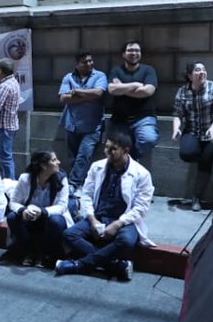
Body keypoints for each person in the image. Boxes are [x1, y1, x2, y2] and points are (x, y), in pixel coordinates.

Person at [56, 131, 153, 279]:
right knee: (69, 234)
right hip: (99, 216)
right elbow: (86, 195)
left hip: (124, 220)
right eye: (106, 147)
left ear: (125, 150)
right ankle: (114, 264)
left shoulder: (142, 174)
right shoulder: (97, 167)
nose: (108, 152)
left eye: (113, 149)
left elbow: (141, 207)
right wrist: (92, 219)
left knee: (126, 241)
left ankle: (79, 265)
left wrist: (117, 224)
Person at [171, 62, 213, 212]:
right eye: (197, 70)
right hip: (193, 130)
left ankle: (197, 197)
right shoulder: (182, 92)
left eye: (204, 70)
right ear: (190, 76)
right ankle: (201, 154)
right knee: (186, 153)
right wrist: (176, 128)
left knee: (206, 160)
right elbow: (177, 113)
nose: (202, 72)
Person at [1, 150, 71, 268]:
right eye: (54, 160)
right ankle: (27, 251)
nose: (58, 162)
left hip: (49, 216)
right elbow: (13, 202)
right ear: (43, 166)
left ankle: (44, 253)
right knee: (12, 217)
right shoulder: (25, 178)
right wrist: (23, 211)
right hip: (29, 216)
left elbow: (62, 205)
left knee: (57, 221)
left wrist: (43, 212)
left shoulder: (61, 179)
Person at [58, 52, 107, 189]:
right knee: (73, 157)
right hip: (72, 123)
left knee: (83, 156)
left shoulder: (100, 76)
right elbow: (63, 98)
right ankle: (80, 184)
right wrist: (87, 96)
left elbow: (98, 93)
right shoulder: (69, 77)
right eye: (85, 62)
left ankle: (73, 184)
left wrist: (76, 92)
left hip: (93, 125)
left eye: (91, 61)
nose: (89, 64)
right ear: (77, 64)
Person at [107, 40, 159, 163]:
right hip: (120, 119)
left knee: (148, 139)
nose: (134, 53)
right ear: (123, 54)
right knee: (115, 150)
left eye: (137, 50)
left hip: (144, 118)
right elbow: (112, 89)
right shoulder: (116, 71)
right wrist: (135, 85)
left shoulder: (148, 70)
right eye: (130, 50)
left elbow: (147, 91)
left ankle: (135, 161)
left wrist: (122, 88)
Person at [0, 58, 21, 179]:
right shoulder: (13, 82)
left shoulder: (5, 86)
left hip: (4, 126)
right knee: (5, 157)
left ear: (1, 70)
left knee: (5, 158)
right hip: (10, 125)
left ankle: (9, 185)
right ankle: (6, 181)